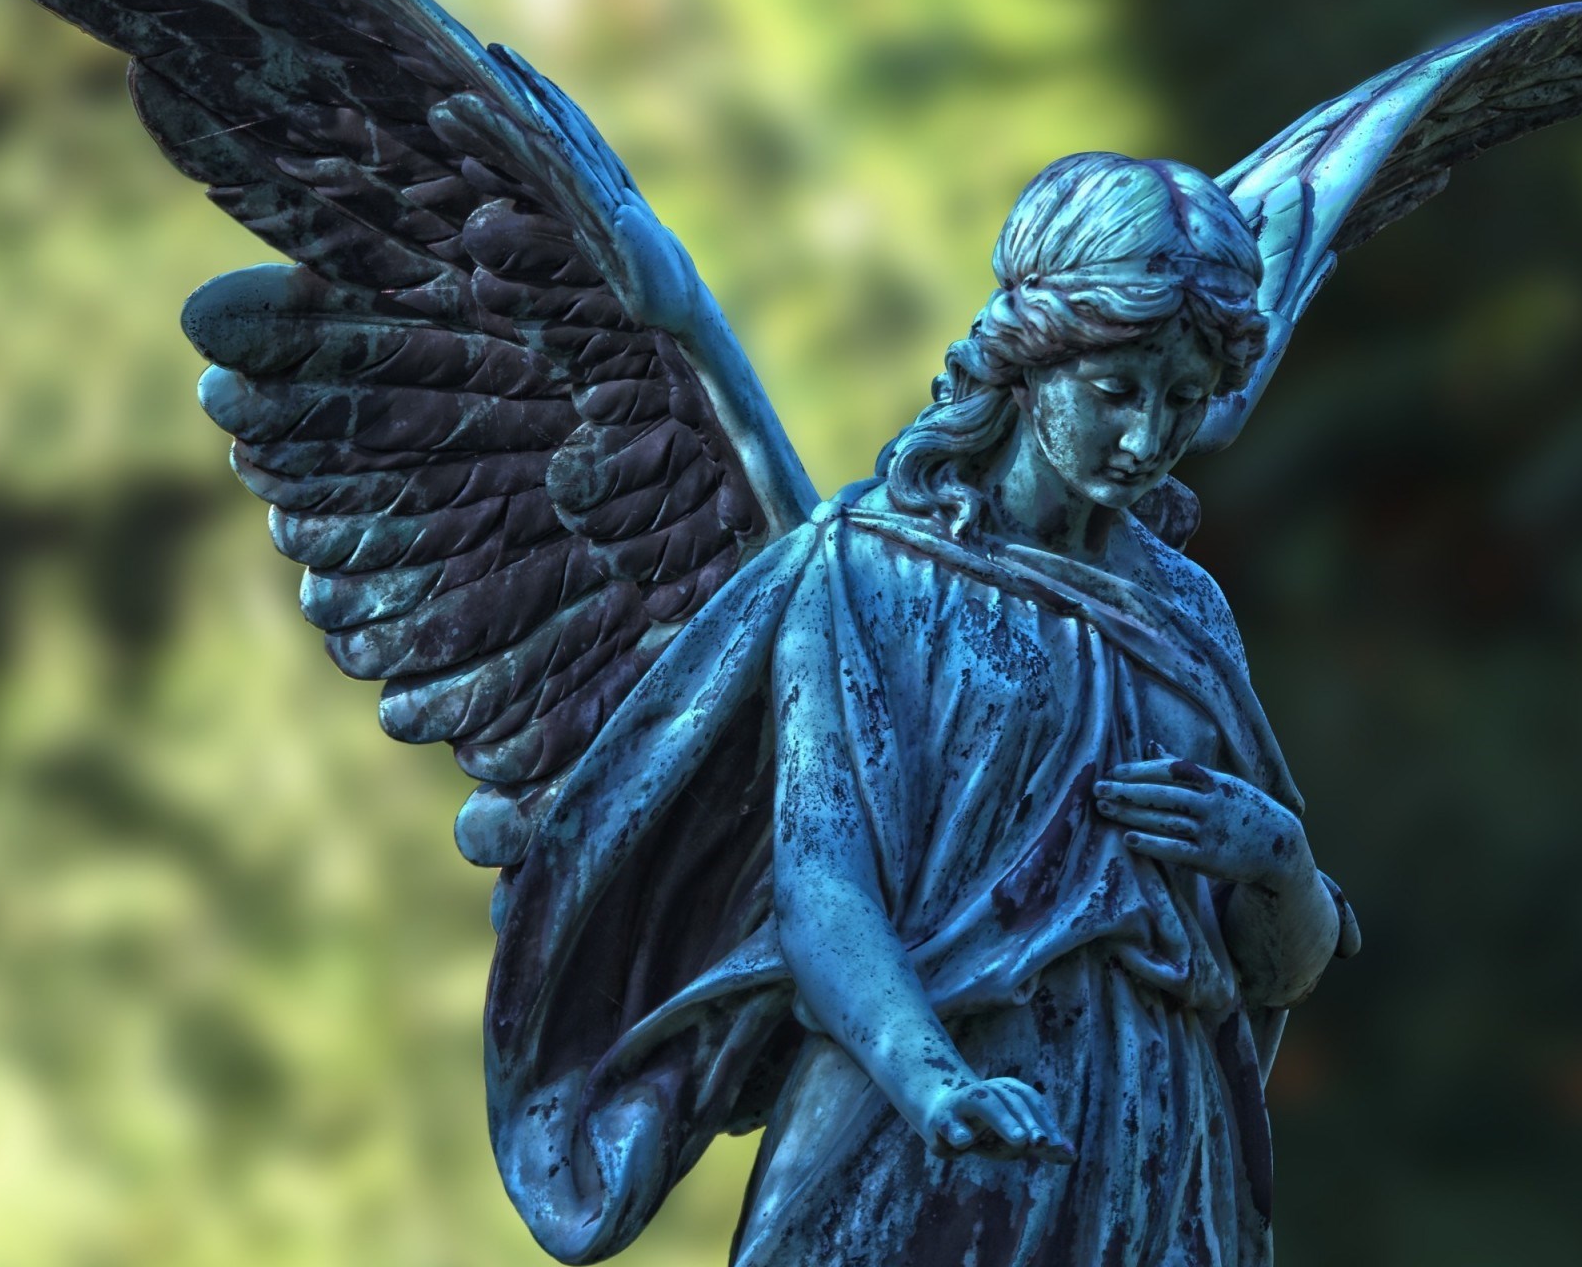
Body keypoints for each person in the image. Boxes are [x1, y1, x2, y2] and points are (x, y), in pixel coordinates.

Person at [487, 152, 1356, 1266]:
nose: (1147, 439)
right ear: (1030, 358)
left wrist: (1278, 860)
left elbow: (1272, 972)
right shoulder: (871, 572)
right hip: (916, 1118)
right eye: (1114, 392)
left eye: (1183, 400)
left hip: (1152, 1150)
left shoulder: (1187, 611)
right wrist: (934, 1081)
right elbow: (821, 886)